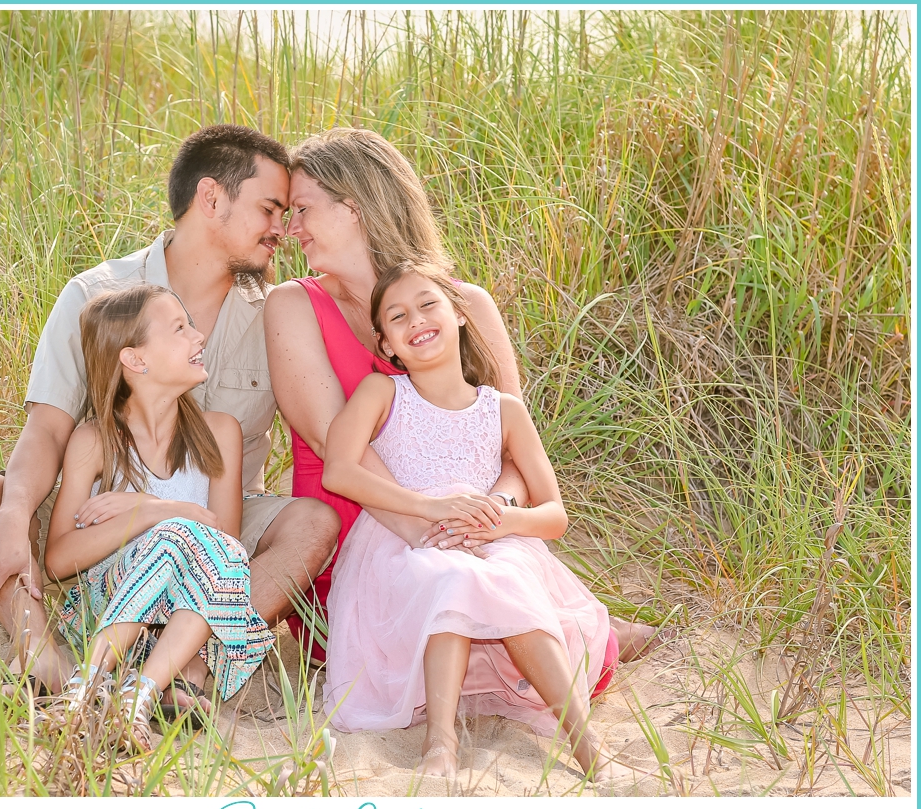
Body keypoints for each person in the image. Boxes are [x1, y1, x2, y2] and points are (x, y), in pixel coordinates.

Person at [0, 125, 340, 711]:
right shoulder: (97, 295)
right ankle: (43, 658)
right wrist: (10, 517)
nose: (281, 229)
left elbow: (325, 428)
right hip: (100, 515)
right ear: (212, 199)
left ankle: (192, 663)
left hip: (217, 526)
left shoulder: (276, 313)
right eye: (269, 208)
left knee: (312, 522)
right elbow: (48, 428)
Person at [264, 128, 662, 667]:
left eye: (303, 209)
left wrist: (491, 519)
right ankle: (555, 618)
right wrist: (430, 534)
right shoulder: (293, 305)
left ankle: (554, 615)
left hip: (474, 536)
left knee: (524, 623)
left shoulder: (464, 304)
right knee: (479, 616)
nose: (291, 229)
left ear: (353, 207)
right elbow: (332, 440)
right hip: (360, 539)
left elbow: (513, 448)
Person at [320, 261, 638, 782]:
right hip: (411, 544)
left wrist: (501, 526)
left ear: (459, 314)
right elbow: (339, 470)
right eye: (397, 316)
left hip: (495, 541)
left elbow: (554, 515)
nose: (416, 320)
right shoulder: (383, 395)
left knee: (504, 575)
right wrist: (427, 507)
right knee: (451, 575)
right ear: (386, 345)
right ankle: (440, 740)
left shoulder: (504, 409)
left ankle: (584, 740)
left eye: (428, 304)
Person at [44, 284, 272, 750]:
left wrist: (154, 508)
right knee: (173, 533)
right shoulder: (95, 441)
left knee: (202, 542)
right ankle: (93, 684)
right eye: (179, 328)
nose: (199, 335)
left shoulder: (219, 431)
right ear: (135, 360)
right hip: (102, 614)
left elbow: (223, 550)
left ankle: (134, 696)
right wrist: (150, 516)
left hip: (183, 631)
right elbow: (58, 559)